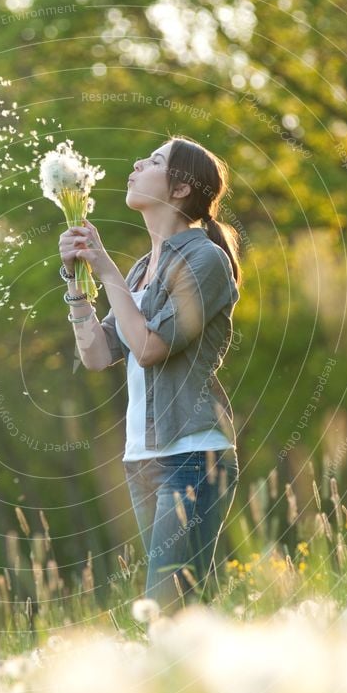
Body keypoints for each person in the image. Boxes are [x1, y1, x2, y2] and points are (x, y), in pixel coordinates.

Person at [58, 134, 242, 614]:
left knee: (164, 604)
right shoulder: (142, 269)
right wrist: (78, 285)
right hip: (142, 458)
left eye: (155, 160)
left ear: (180, 189)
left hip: (192, 454)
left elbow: (148, 348)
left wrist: (105, 270)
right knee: (185, 607)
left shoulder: (205, 260)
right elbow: (98, 355)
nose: (138, 163)